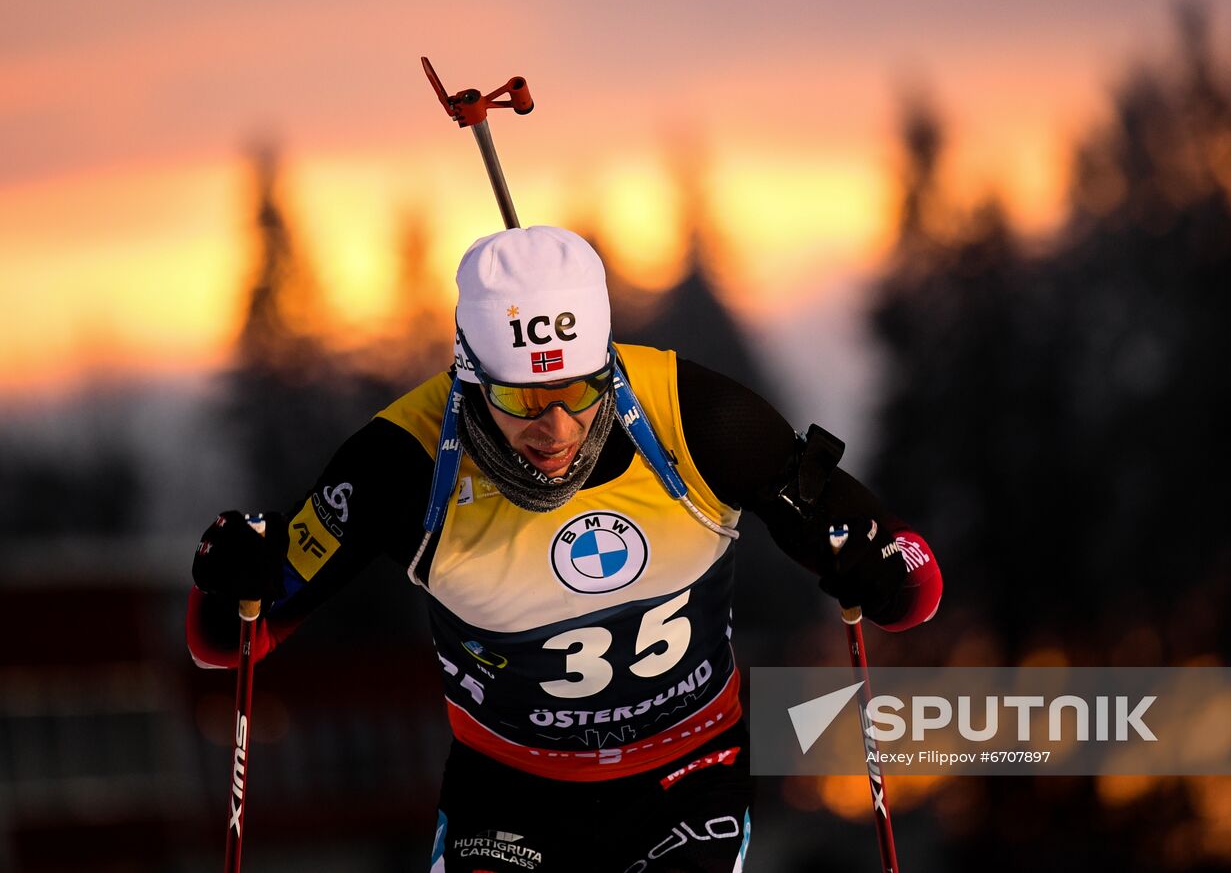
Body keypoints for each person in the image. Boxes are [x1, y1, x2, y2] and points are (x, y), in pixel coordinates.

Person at [188, 225, 942, 872]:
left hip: (690, 776)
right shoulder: (403, 463)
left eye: (581, 390)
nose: (555, 429)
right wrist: (233, 581)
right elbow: (229, 636)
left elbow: (913, 577)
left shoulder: (699, 419)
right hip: (509, 793)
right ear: (468, 375)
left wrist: (878, 572)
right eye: (519, 399)